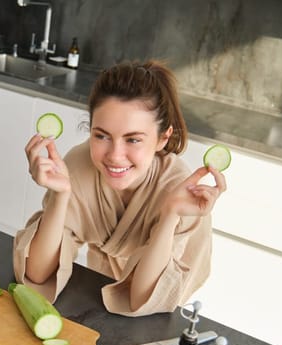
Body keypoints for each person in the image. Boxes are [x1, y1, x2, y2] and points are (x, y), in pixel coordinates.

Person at [13, 60, 227, 316]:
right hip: (104, 270)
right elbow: (37, 274)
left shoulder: (180, 192)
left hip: (161, 279)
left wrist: (170, 214)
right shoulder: (78, 167)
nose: (114, 156)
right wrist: (60, 197)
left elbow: (143, 300)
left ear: (163, 138)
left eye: (133, 139)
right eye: (101, 136)